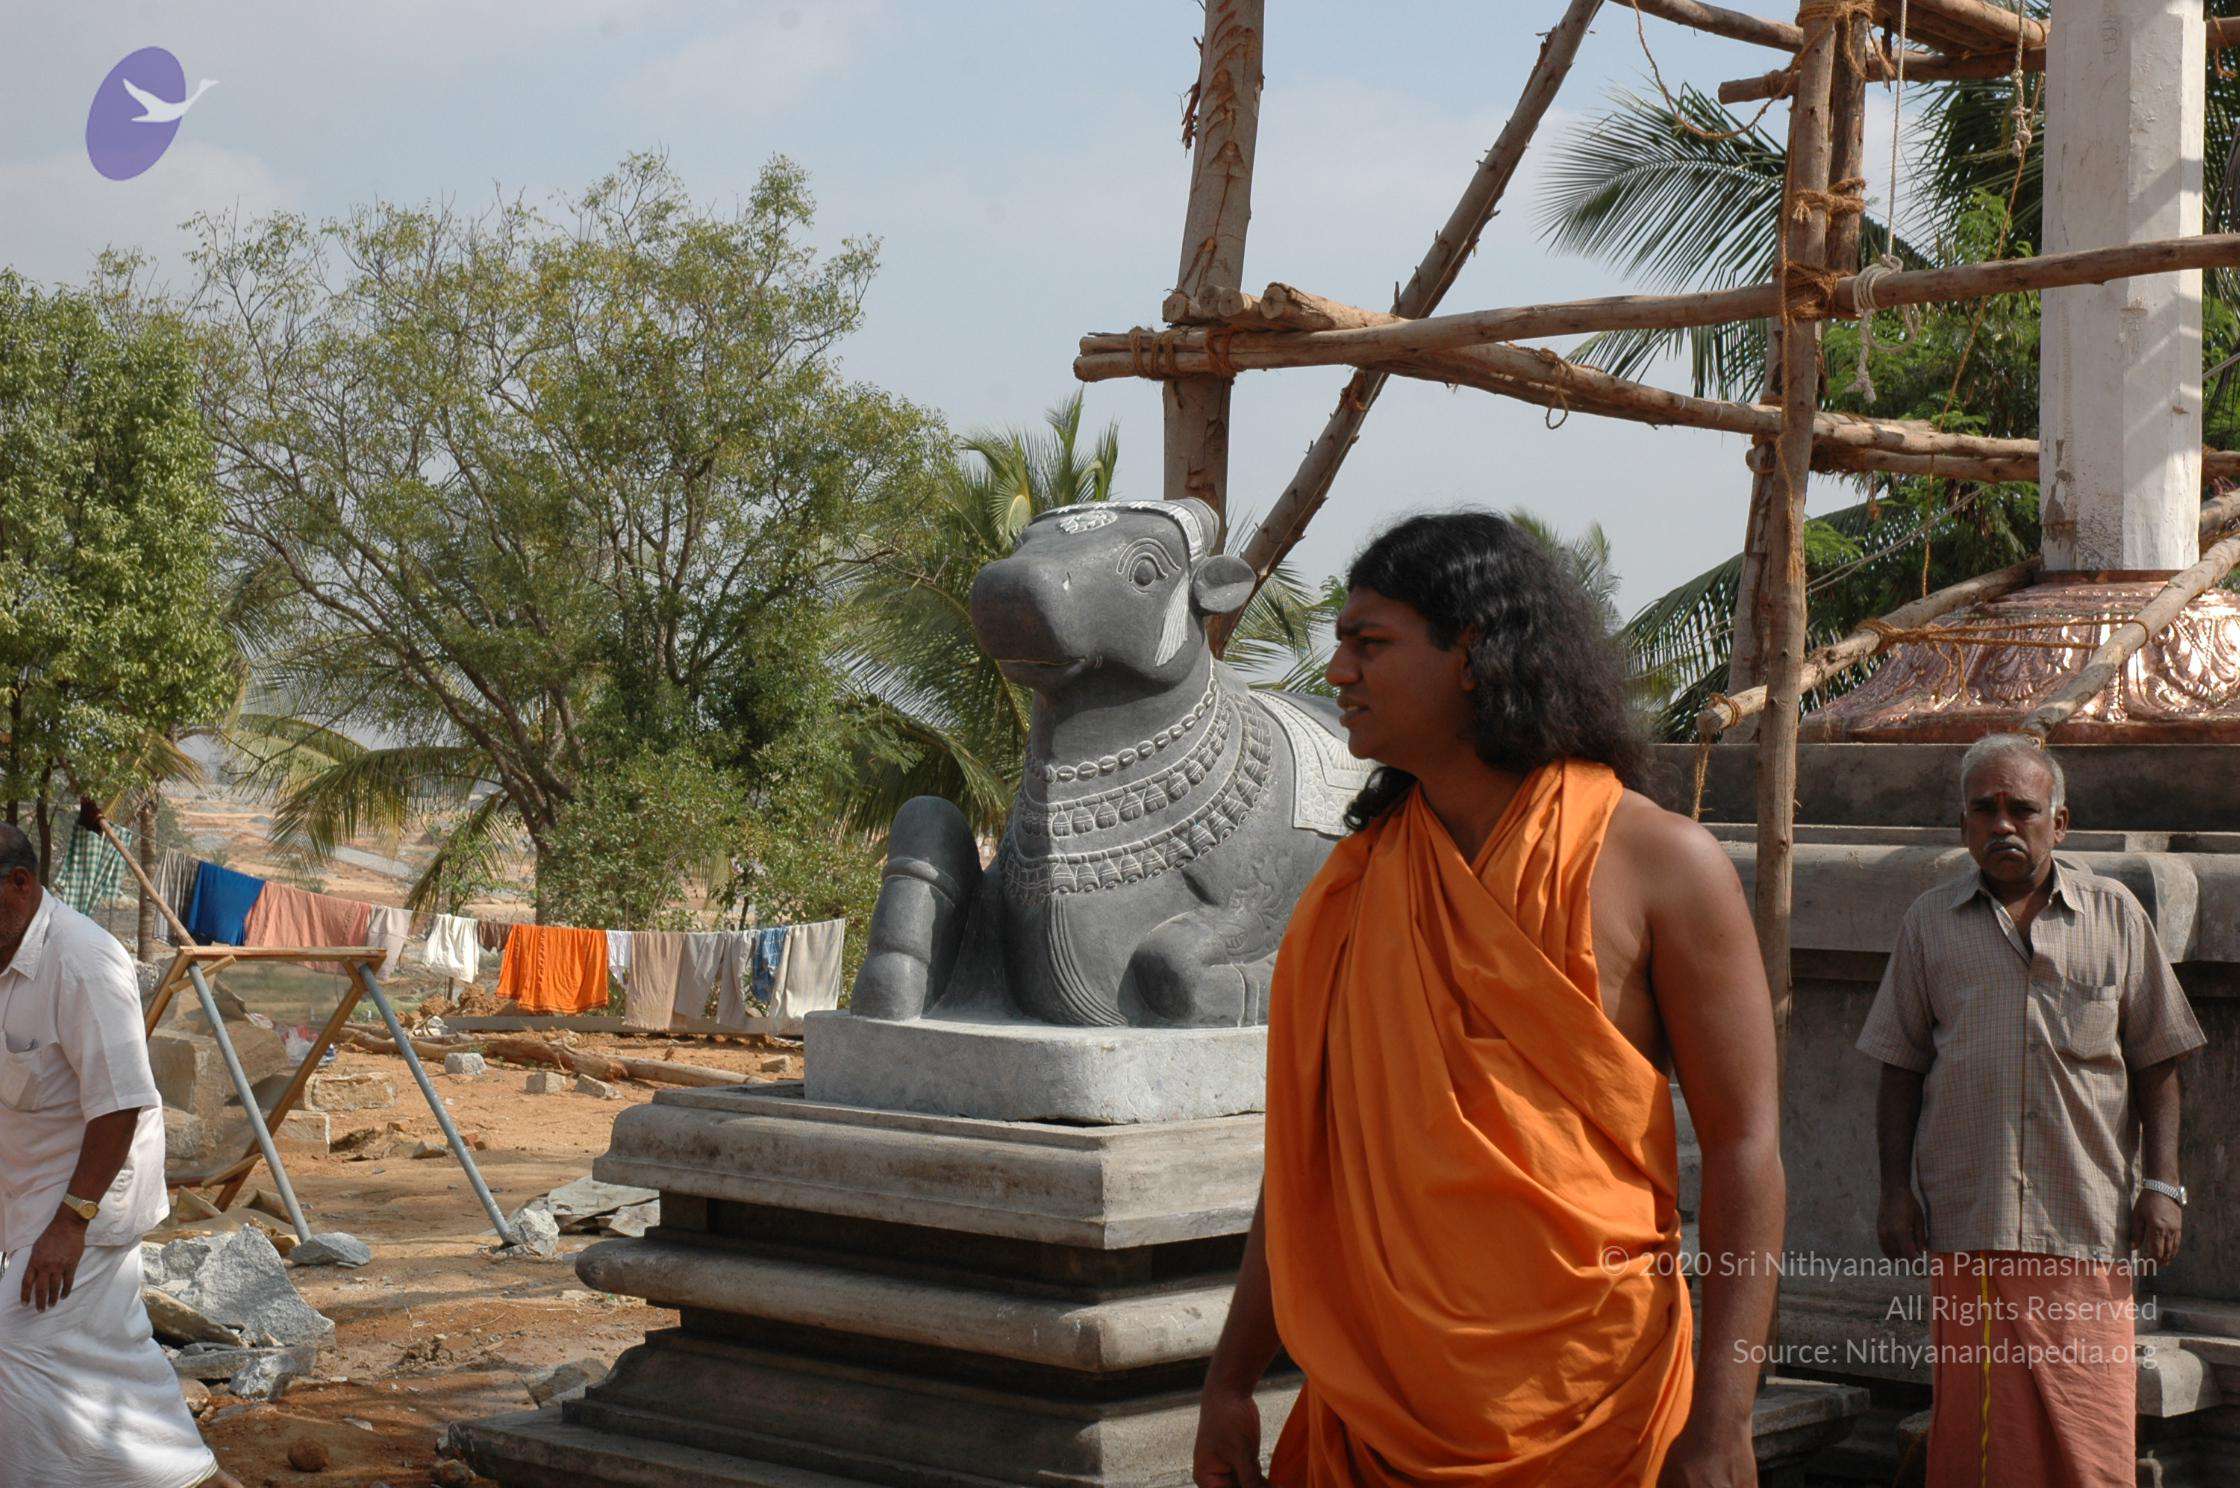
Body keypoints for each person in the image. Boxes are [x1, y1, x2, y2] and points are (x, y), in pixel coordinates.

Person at [1193, 512, 1784, 1488]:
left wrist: (1723, 1420)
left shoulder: (1660, 864)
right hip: (1376, 1412)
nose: (1337, 672)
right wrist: (1229, 1379)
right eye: (1340, 644)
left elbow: (1745, 1147)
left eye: (1368, 643)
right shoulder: (1355, 886)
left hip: (1604, 1406)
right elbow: (1305, 1158)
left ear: (1470, 654)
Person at [1858, 735, 2202, 1488]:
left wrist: (2162, 1186)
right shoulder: (1929, 923)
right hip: (1969, 1221)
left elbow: (2158, 1061)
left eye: (2023, 809)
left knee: (2091, 1431)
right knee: (1982, 1439)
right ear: (1963, 825)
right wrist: (1893, 1191)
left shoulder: (2114, 916)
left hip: (2084, 1220)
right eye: (1984, 810)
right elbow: (1900, 1067)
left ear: (2060, 823)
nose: (2003, 825)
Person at [0, 821, 235, 1488]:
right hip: (31, 1195)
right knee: (102, 1356)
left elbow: (120, 1103)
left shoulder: (82, 961)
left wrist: (70, 1222)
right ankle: (193, 1476)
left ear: (19, 884)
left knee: (17, 1344)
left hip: (88, 1201)